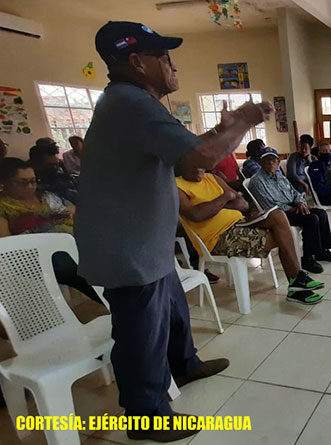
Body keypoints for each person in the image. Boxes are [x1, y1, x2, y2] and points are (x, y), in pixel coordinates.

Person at [74, 21, 272, 442]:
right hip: (126, 246)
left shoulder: (133, 102)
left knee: (172, 310)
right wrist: (245, 121)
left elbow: (188, 161)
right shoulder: (130, 102)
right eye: (163, 57)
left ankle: (184, 363)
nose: (172, 65)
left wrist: (226, 129)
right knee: (140, 330)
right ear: (136, 62)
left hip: (146, 240)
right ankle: (144, 416)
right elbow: (199, 155)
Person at [176, 166, 324, 304]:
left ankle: (296, 281)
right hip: (217, 238)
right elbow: (196, 214)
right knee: (282, 235)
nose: (199, 169)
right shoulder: (177, 186)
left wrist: (213, 206)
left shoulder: (212, 178)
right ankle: (296, 284)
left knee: (278, 216)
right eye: (194, 165)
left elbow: (242, 204)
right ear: (183, 163)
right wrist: (225, 197)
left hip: (240, 223)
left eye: (202, 165)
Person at [0, 157, 102, 304]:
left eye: (33, 181)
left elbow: (74, 210)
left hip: (74, 240)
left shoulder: (46, 196)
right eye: (22, 183)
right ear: (4, 182)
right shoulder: (4, 207)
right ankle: (106, 298)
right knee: (66, 263)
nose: (30, 186)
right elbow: (6, 243)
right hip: (41, 254)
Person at [247, 148, 331, 273]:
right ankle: (308, 258)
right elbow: (269, 205)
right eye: (267, 160)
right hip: (277, 214)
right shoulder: (257, 181)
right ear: (261, 162)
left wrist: (300, 202)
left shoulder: (279, 176)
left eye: (273, 160)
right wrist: (293, 208)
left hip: (291, 206)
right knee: (311, 219)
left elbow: (294, 192)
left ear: (278, 162)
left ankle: (322, 251)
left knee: (321, 213)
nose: (270, 163)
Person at [28, 137, 79, 204]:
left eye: (56, 164)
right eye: (50, 165)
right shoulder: (28, 180)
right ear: (36, 163)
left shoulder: (58, 169)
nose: (55, 168)